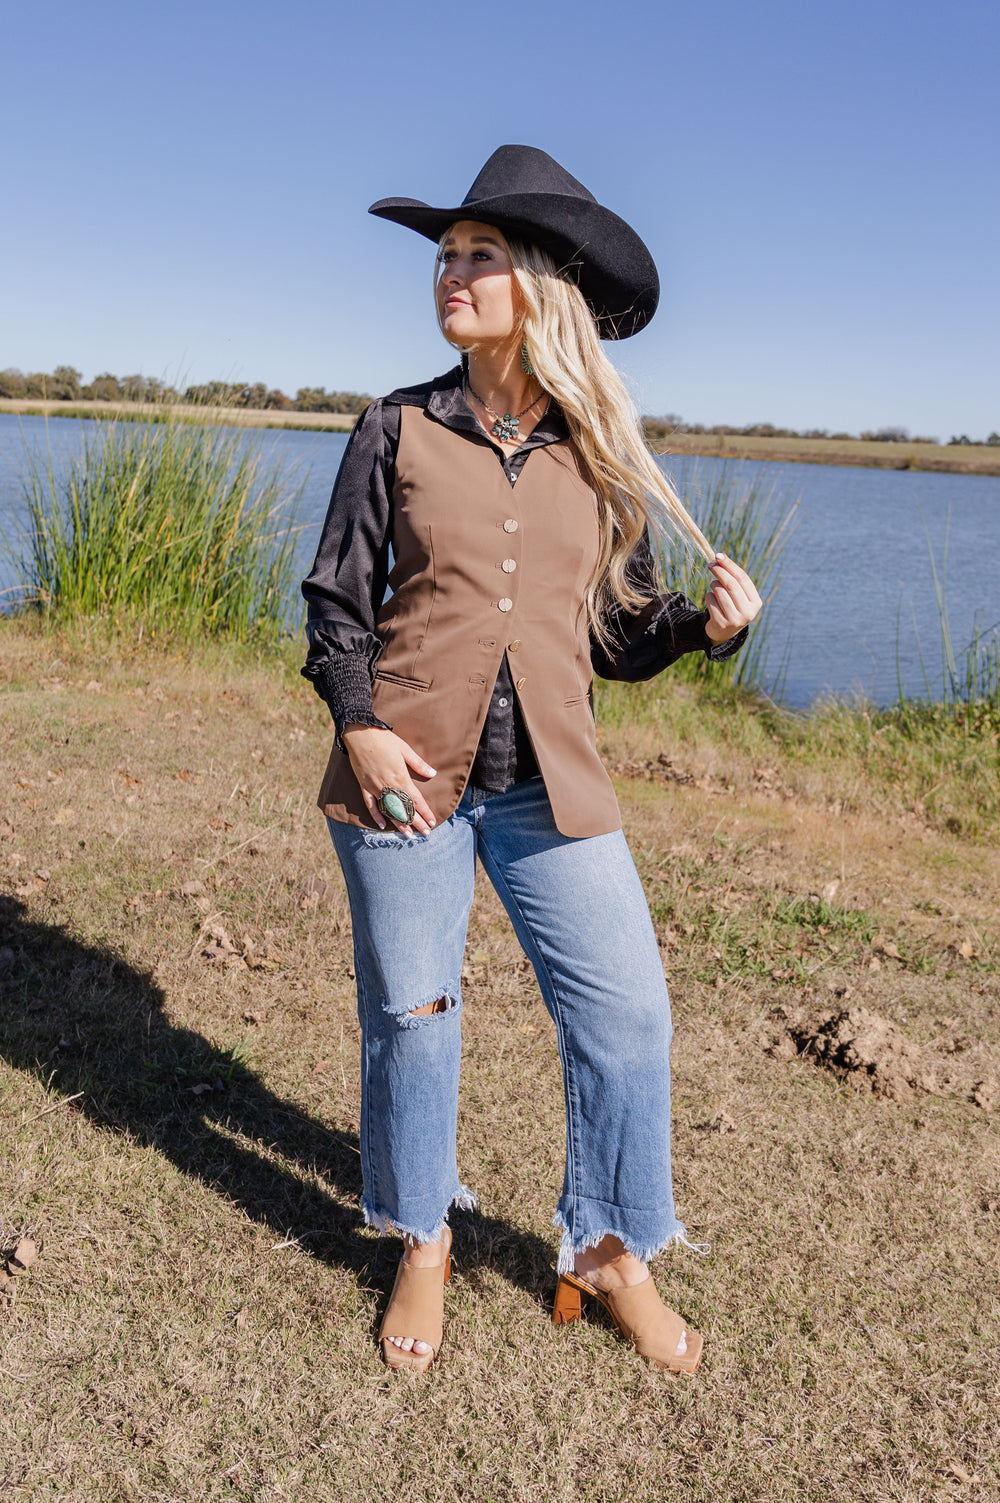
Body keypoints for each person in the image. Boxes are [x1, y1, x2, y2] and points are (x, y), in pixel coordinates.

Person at [301, 145, 762, 1376]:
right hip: (406, 778)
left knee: (626, 1018)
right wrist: (358, 720)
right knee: (415, 1018)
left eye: (478, 256)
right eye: (444, 255)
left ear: (538, 286)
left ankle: (608, 1250)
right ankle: (422, 1239)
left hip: (551, 782)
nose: (450, 273)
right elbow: (336, 605)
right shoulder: (395, 426)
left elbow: (613, 635)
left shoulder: (597, 455)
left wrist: (698, 627)